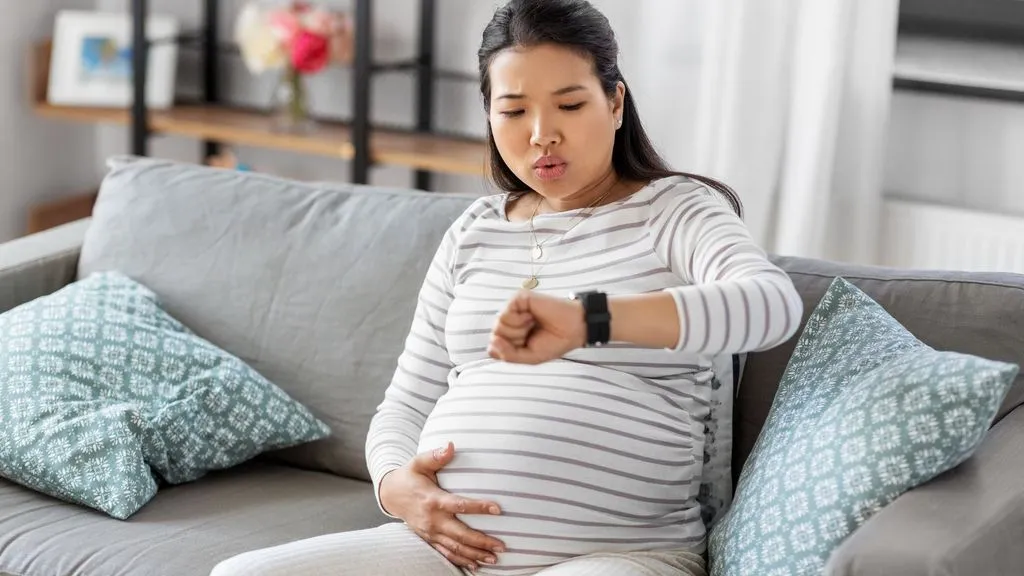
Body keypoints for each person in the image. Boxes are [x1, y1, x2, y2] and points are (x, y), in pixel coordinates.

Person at [210, 0, 801, 574]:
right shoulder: (474, 231)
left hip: (620, 556)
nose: (542, 134)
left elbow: (770, 305)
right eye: (514, 111)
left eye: (569, 104)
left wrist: (589, 322)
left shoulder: (675, 211)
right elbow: (406, 403)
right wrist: (398, 490)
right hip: (444, 553)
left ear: (615, 102)